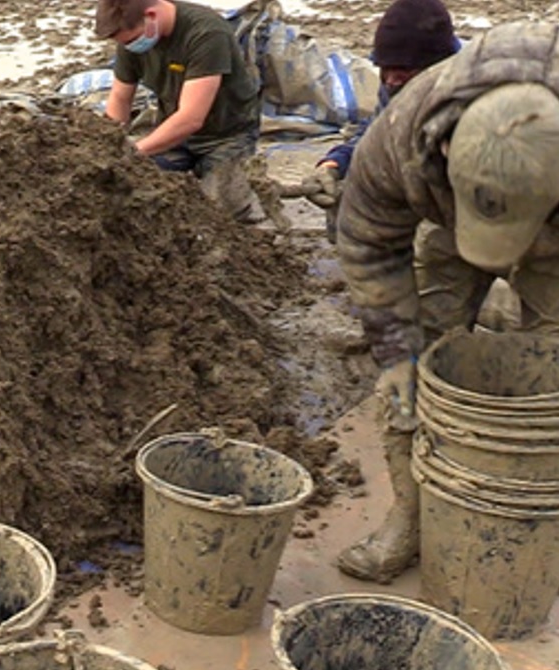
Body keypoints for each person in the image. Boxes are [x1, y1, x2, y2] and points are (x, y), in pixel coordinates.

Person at [334, 22, 559, 582]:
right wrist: (397, 357)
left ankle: (531, 523)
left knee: (550, 375)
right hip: (445, 212)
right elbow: (367, 248)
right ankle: (409, 518)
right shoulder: (401, 138)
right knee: (412, 361)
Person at [299, 0, 462, 237]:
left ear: (435, 68)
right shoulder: (394, 84)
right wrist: (334, 164)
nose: (390, 81)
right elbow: (375, 134)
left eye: (402, 72)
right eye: (385, 68)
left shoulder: (469, 93)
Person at [96, 0, 265, 222]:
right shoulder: (132, 39)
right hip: (172, 136)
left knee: (217, 215)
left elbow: (190, 118)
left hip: (226, 136)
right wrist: (108, 146)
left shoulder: (206, 34)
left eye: (131, 40)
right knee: (126, 190)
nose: (129, 46)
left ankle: (243, 194)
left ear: (152, 15)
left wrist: (133, 153)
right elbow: (120, 98)